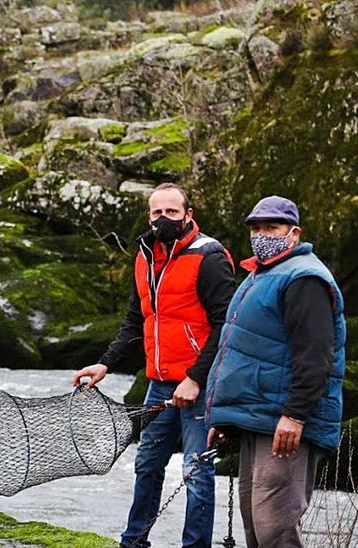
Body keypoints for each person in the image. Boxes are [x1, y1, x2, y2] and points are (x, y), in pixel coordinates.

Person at [72, 183, 236, 548]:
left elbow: (226, 325)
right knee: (147, 465)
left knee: (196, 471)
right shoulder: (145, 256)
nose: (163, 219)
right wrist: (105, 364)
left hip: (201, 385)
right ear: (149, 216)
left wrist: (196, 378)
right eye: (156, 213)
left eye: (172, 212)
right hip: (159, 382)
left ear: (188, 215)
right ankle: (134, 541)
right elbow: (136, 319)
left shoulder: (208, 257)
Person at [205, 195, 346, 548]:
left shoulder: (305, 278)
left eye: (272, 227)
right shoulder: (260, 275)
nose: (261, 234)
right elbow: (245, 349)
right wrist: (226, 419)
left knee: (276, 530)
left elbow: (315, 357)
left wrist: (295, 416)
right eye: (256, 228)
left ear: (293, 233)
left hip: (284, 425)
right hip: (258, 419)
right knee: (255, 526)